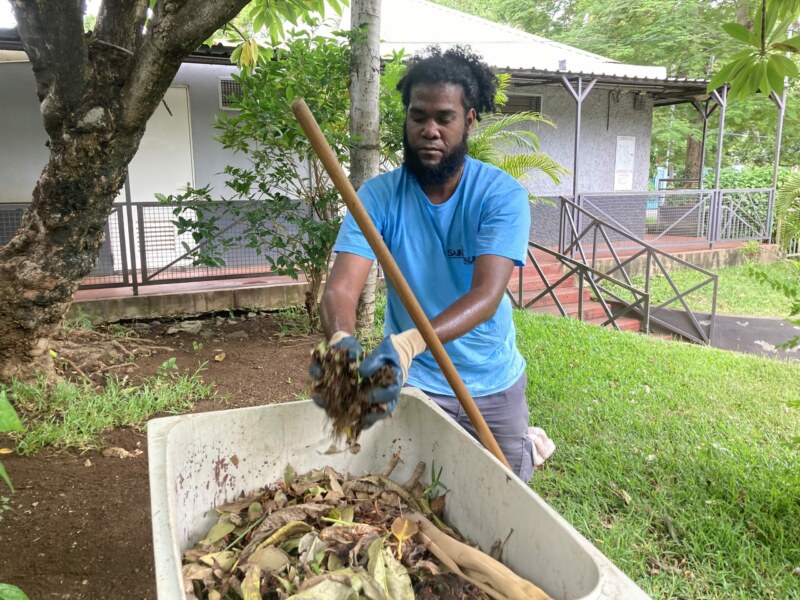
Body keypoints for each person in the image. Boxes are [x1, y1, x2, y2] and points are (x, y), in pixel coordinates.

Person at [315, 46, 546, 482]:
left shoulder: (500, 196)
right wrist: (342, 342)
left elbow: (485, 296)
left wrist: (407, 342)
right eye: (419, 117)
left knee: (506, 492)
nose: (430, 130)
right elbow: (342, 288)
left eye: (444, 118)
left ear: (470, 120)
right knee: (412, 491)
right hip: (416, 383)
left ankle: (526, 451)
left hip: (491, 380)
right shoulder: (378, 197)